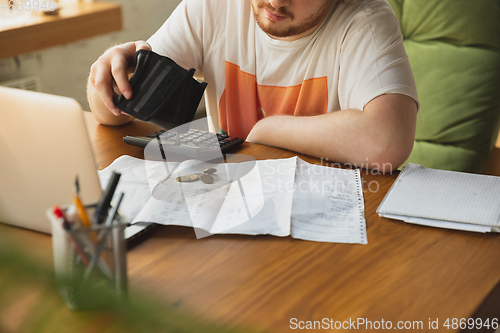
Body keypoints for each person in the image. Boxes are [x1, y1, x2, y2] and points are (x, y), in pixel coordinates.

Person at [88, 0, 418, 172]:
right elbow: (114, 111)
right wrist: (107, 74)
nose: (275, 2)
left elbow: (386, 141)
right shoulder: (212, 7)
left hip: (324, 221)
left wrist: (266, 130)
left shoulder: (365, 20)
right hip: (232, 204)